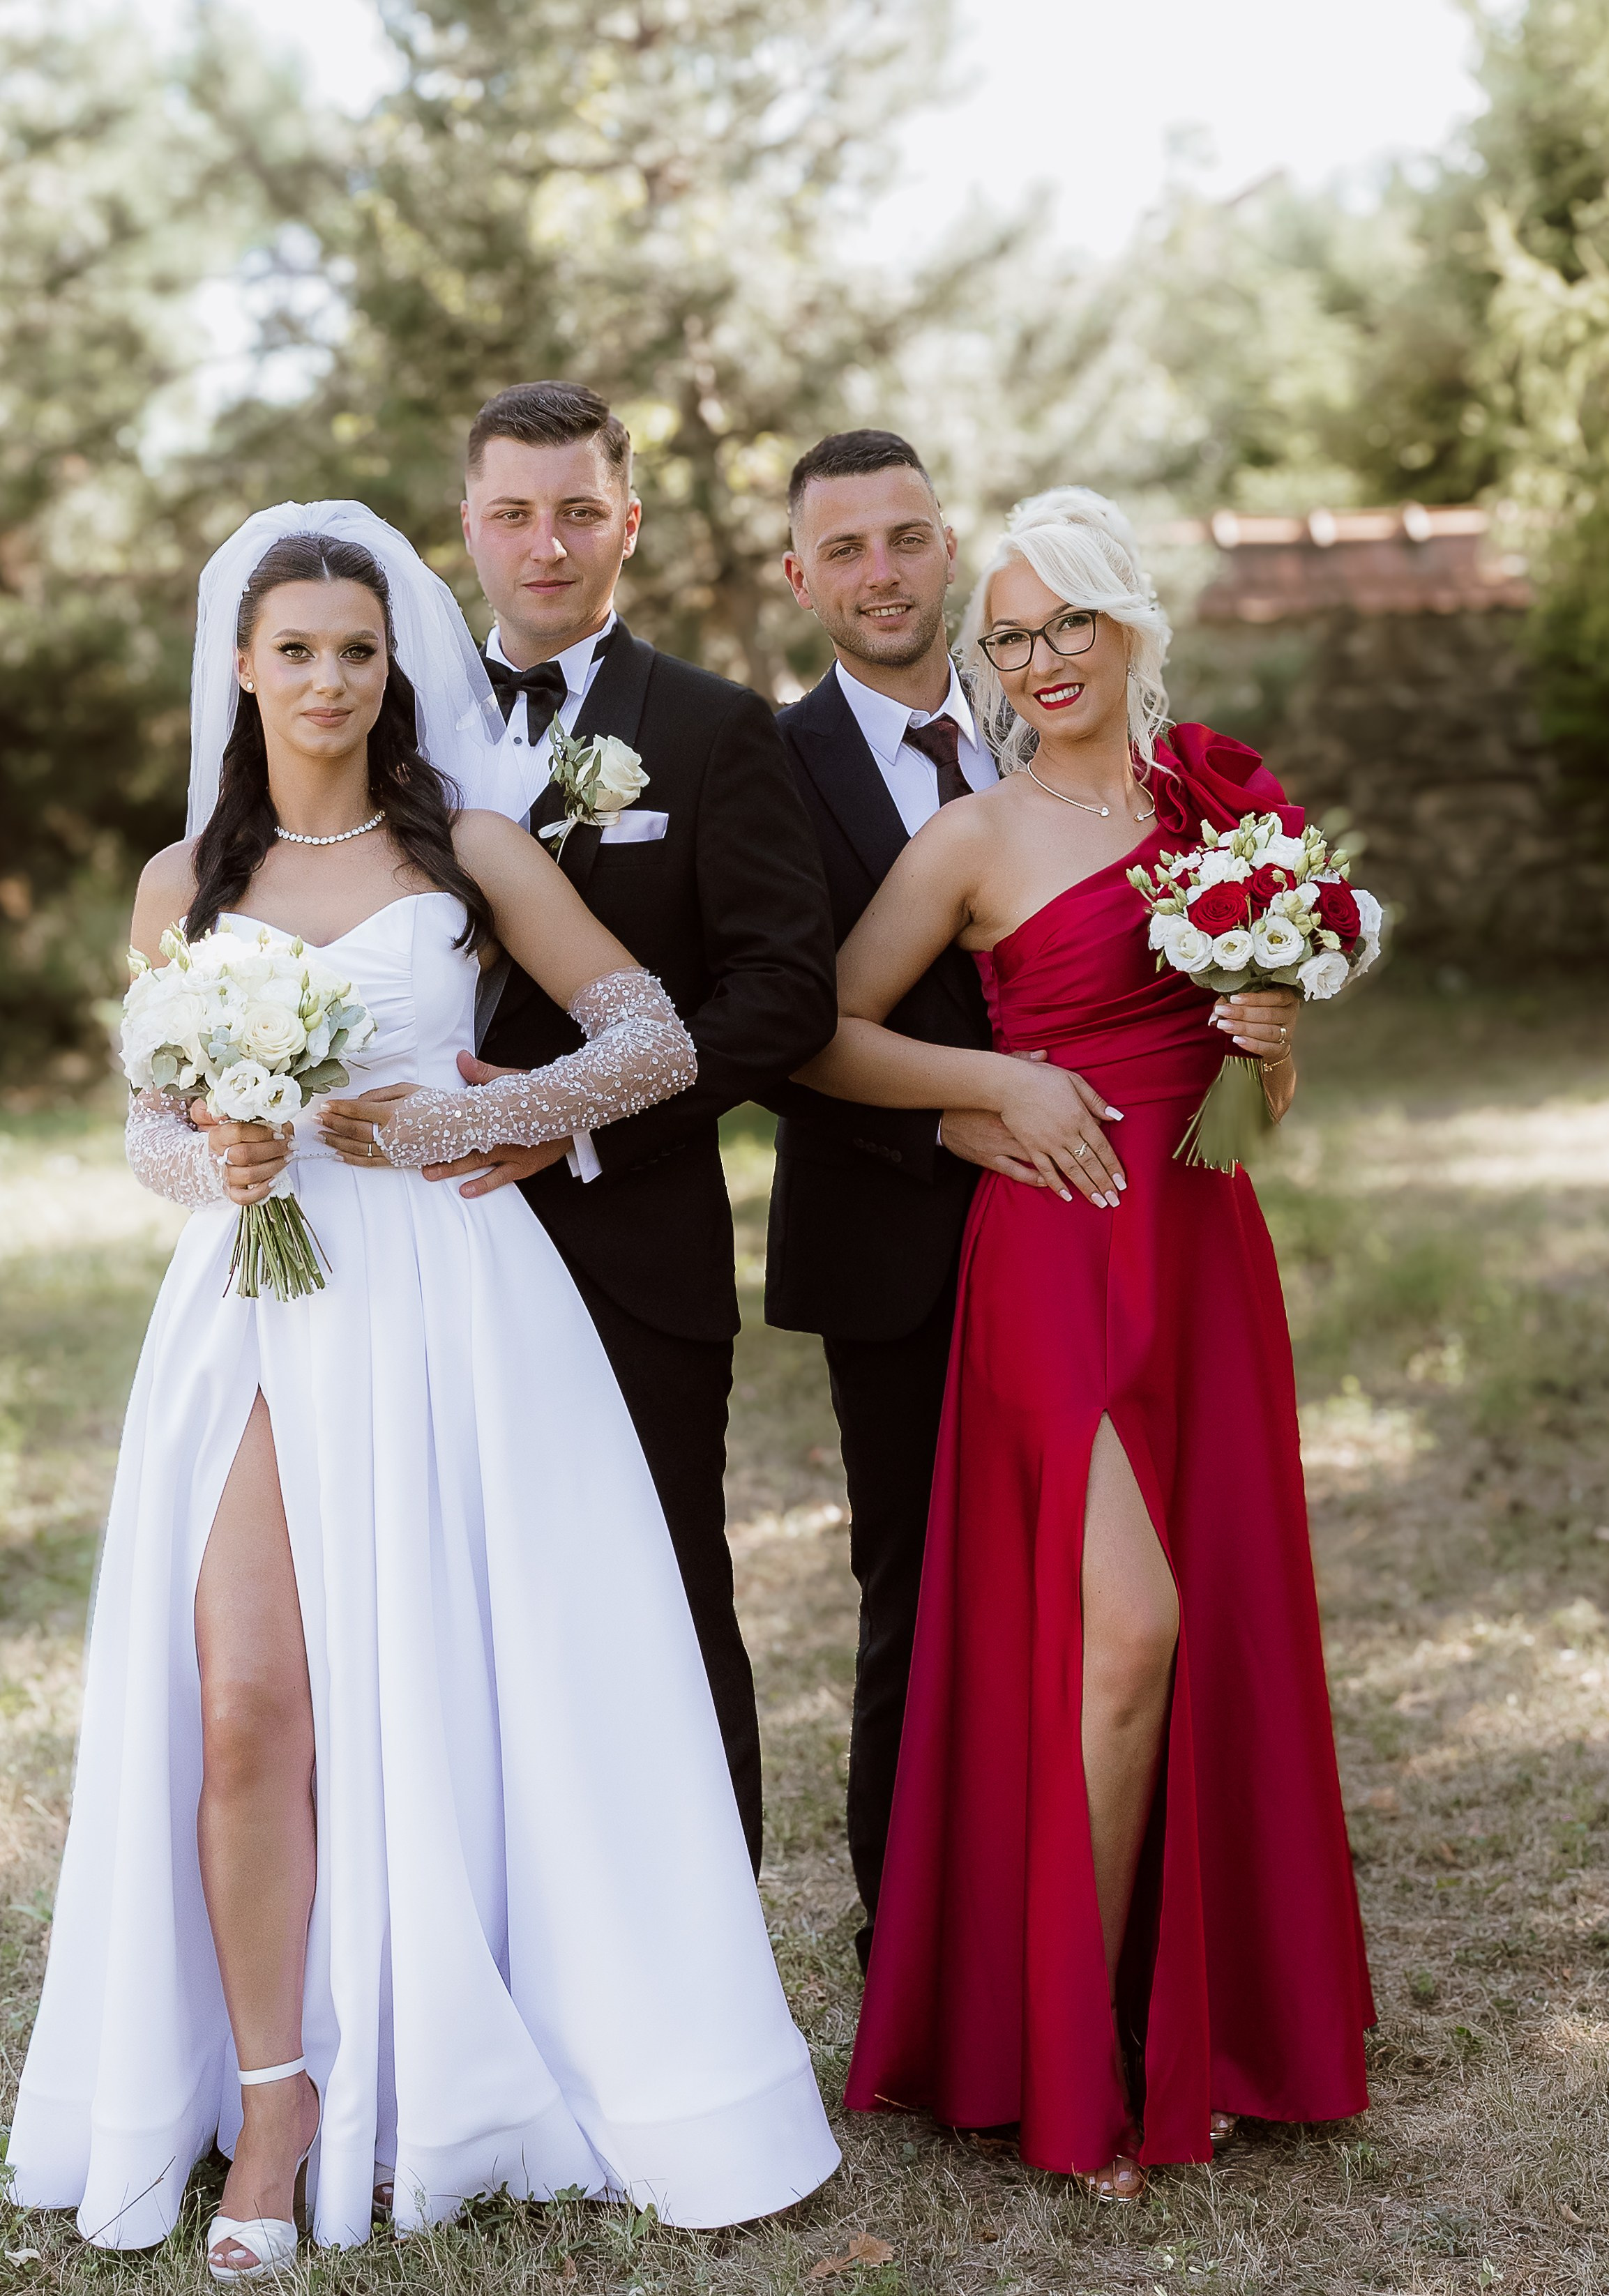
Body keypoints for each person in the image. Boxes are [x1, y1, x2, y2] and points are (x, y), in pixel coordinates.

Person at [5, 503, 840, 2276]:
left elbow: (657, 1041)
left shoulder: (464, 845)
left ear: (398, 672)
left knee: (446, 1686)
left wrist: (479, 1118)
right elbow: (145, 1127)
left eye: (358, 651)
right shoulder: (184, 886)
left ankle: (442, 2048)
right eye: (294, 648)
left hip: (450, 1297)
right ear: (240, 666)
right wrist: (206, 1154)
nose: (326, 678)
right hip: (251, 1298)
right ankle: (275, 2093)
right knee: (243, 1702)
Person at [799, 486, 1373, 2198]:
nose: (1044, 659)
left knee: (1215, 1632)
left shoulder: (1219, 811)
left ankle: (1173, 2026)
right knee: (1128, 1631)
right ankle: (1074, 2056)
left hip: (1200, 1246)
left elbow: (1259, 1078)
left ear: (1130, 626)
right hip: (1049, 1250)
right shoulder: (971, 840)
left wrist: (1269, 1034)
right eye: (1014, 634)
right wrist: (989, 1088)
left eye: (1071, 625)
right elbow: (824, 1031)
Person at [446, 381, 836, 1871]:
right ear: (469, 522)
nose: (547, 547)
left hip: (635, 1240)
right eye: (513, 513)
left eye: (579, 513)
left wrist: (576, 1123)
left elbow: (781, 996)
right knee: (454, 1613)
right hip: (422, 1239)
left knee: (664, 1593)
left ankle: (705, 1966)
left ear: (630, 522)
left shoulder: (716, 729)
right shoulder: (385, 716)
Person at [769, 430, 1119, 1974]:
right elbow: (763, 1026)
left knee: (1106, 1576)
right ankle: (915, 1941)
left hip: (1090, 1227)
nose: (882, 573)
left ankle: (1094, 1897)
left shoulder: (1048, 722)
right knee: (919, 1590)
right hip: (894, 1230)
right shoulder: (759, 767)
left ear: (950, 547)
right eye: (844, 550)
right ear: (800, 577)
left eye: (906, 539)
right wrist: (963, 1114)